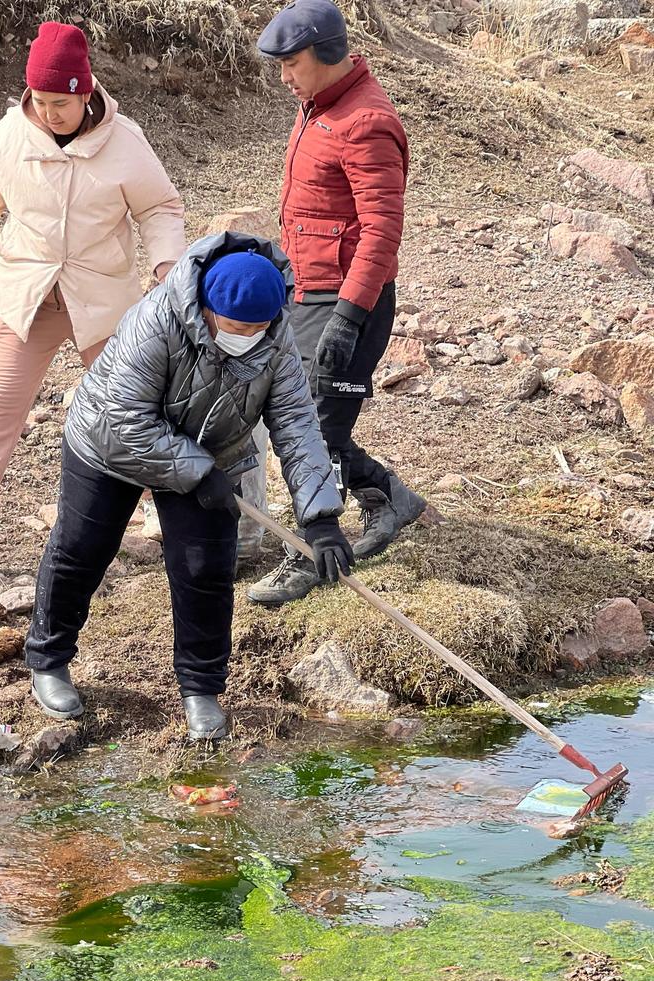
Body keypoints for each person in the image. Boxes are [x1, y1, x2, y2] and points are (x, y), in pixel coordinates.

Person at [24, 235, 351, 741]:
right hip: (110, 444)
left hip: (212, 451)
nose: (251, 336)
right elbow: (128, 416)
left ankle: (201, 689)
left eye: (261, 327)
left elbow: (295, 421)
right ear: (207, 308)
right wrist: (197, 471)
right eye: (240, 328)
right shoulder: (155, 322)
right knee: (82, 549)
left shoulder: (273, 337)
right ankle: (48, 660)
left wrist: (320, 518)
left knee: (205, 569)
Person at [0, 21, 186, 557]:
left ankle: (171, 514)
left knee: (133, 406)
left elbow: (160, 207)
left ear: (84, 92)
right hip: (29, 295)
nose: (48, 113)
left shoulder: (125, 142)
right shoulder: (10, 135)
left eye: (59, 103)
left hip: (102, 300)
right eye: (39, 100)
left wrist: (167, 266)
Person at [247, 0, 427, 607]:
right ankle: (387, 497)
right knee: (302, 419)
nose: (284, 76)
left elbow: (381, 232)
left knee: (315, 429)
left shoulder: (366, 121)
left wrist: (349, 317)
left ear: (327, 54)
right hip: (308, 289)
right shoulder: (319, 106)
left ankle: (311, 553)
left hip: (350, 300)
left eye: (291, 63)